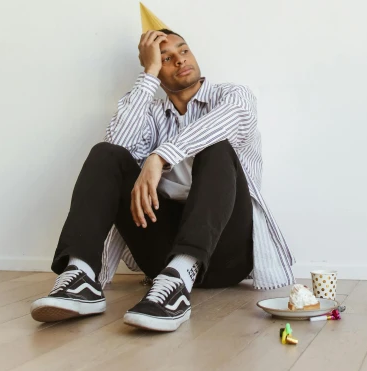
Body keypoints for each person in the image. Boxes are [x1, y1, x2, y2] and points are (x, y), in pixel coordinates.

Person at [31, 29, 294, 332]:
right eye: (166, 59)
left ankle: (179, 279)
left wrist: (159, 157)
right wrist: (149, 74)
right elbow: (118, 144)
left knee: (217, 147)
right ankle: (80, 276)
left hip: (227, 252)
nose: (180, 60)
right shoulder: (152, 114)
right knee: (106, 154)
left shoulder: (233, 96)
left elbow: (227, 122)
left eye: (183, 51)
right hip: (161, 252)